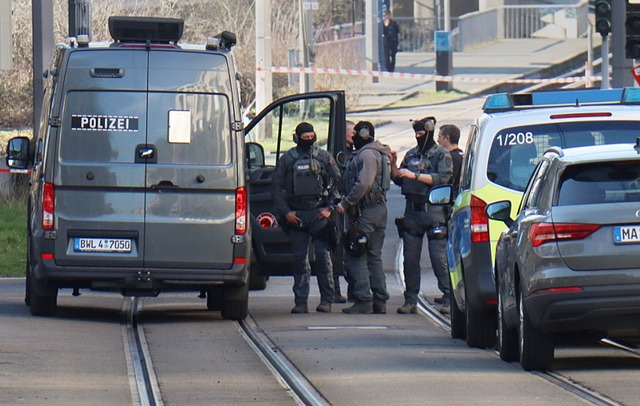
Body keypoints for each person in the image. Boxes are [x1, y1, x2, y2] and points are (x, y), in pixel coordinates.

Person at [271, 122, 342, 314]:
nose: (309, 141)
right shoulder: (287, 159)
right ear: (297, 138)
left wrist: (329, 208)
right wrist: (286, 213)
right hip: (297, 215)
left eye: (312, 137)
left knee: (323, 259)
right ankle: (301, 302)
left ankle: (327, 300)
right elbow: (276, 189)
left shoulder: (324, 157)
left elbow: (337, 184)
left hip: (320, 214)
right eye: (305, 138)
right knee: (300, 261)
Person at [391, 117, 453, 314]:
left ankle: (449, 297)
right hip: (412, 211)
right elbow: (399, 179)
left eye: (421, 134)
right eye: (416, 134)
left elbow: (443, 178)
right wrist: (393, 166)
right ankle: (410, 299)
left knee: (438, 257)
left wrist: (415, 176)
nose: (419, 137)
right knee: (409, 258)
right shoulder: (411, 155)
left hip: (433, 210)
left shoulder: (441, 154)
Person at [336, 121, 392, 314]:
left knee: (356, 252)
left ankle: (363, 298)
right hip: (377, 210)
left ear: (363, 134)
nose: (351, 138)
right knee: (374, 256)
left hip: (366, 211)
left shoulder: (367, 154)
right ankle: (380, 299)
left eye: (354, 134)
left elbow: (363, 183)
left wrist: (345, 203)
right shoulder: (379, 153)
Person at [436, 124, 463, 196]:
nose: (437, 140)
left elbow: (446, 181)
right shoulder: (462, 155)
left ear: (447, 138)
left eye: (440, 137)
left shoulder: (450, 158)